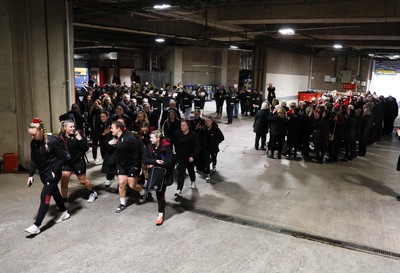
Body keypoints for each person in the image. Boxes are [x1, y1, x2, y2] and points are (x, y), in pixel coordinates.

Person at [25, 118, 70, 235]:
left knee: (45, 196)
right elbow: (34, 160)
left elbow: (62, 158)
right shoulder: (33, 143)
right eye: (31, 135)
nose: (32, 137)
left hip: (53, 173)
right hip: (43, 173)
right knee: (55, 192)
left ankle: (37, 225)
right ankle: (64, 212)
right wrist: (30, 175)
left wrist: (55, 171)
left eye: (34, 134)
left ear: (40, 131)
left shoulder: (52, 141)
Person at [110, 120, 148, 212]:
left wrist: (135, 166)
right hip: (121, 165)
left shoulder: (129, 137)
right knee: (122, 183)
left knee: (132, 185)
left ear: (118, 129)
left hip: (132, 165)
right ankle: (122, 204)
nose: (110, 130)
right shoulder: (117, 138)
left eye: (112, 128)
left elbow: (136, 153)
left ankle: (143, 192)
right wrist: (111, 145)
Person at [59, 120, 97, 207]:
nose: (73, 128)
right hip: (67, 163)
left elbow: (86, 149)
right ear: (65, 128)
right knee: (64, 182)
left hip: (78, 162)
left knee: (83, 181)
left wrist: (80, 139)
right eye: (70, 127)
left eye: (73, 126)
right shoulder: (61, 137)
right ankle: (64, 201)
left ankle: (92, 192)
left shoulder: (77, 136)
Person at [142, 130, 174, 225]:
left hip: (164, 175)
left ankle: (160, 213)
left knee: (160, 193)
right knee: (157, 192)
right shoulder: (149, 147)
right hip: (154, 175)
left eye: (152, 137)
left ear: (158, 139)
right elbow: (145, 159)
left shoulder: (167, 148)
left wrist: (159, 164)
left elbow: (170, 162)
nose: (150, 139)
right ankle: (161, 209)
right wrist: (155, 161)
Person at [173, 120, 200, 195]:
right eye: (181, 125)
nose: (182, 127)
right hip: (180, 157)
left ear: (188, 126)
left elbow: (197, 147)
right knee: (181, 173)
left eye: (184, 125)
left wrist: (193, 156)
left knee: (191, 170)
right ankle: (179, 189)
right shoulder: (177, 134)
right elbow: (173, 142)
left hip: (189, 158)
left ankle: (193, 181)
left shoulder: (193, 135)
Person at [199, 116, 224, 182]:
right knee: (206, 161)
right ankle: (208, 175)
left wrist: (216, 143)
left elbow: (221, 137)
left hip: (213, 148)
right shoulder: (203, 129)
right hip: (205, 148)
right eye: (206, 121)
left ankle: (214, 165)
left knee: (213, 158)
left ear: (211, 121)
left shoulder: (216, 129)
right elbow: (198, 138)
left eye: (209, 121)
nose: (207, 122)